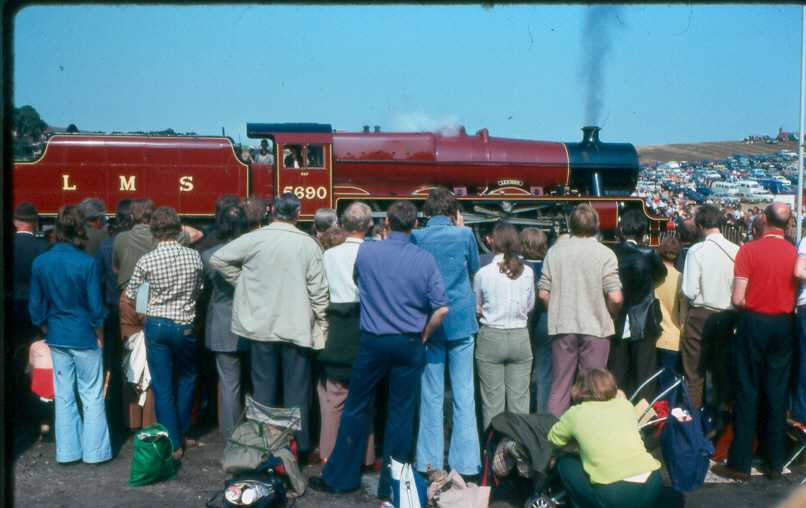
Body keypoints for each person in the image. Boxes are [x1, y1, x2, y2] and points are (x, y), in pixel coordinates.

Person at [311, 201, 449, 498]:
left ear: (386, 222)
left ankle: (340, 477)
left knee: (356, 407)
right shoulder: (424, 259)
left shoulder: (368, 252)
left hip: (373, 340)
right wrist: (425, 332)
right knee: (401, 414)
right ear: (414, 225)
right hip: (409, 341)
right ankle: (394, 487)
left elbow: (358, 282)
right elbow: (441, 309)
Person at [210, 193, 329, 456]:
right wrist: (322, 321)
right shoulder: (308, 244)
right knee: (297, 392)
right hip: (296, 327)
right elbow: (318, 291)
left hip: (260, 326)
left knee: (263, 390)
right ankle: (298, 447)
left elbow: (218, 259)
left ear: (273, 211)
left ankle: (263, 445)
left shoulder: (255, 238)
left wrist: (241, 281)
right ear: (297, 213)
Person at [713, 203, 798, 482]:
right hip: (784, 324)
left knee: (747, 391)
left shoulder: (748, 250)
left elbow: (738, 298)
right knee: (776, 393)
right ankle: (775, 461)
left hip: (754, 321)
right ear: (787, 225)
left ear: (764, 219)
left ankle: (741, 463)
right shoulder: (794, 253)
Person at [29, 205, 112, 464]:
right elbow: (96, 307)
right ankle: (95, 453)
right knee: (91, 395)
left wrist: (44, 325)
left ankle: (67, 452)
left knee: (64, 395)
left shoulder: (41, 262)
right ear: (79, 229)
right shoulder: (87, 262)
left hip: (57, 334)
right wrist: (99, 330)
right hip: (84, 335)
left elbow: (35, 305)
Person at [411, 187, 481, 477]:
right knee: (464, 392)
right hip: (461, 319)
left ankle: (429, 460)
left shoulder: (417, 237)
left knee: (431, 393)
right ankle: (465, 463)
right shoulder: (464, 235)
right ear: (453, 212)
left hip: (430, 321)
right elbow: (474, 268)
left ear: (427, 211)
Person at [124, 207, 204, 459]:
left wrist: (148, 302)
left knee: (162, 383)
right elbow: (199, 289)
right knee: (188, 377)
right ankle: (180, 431)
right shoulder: (194, 257)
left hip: (157, 325)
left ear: (154, 232)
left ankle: (173, 440)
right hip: (185, 324)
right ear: (178, 228)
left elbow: (131, 295)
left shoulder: (146, 260)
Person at [538, 204, 623, 417]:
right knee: (593, 389)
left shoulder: (554, 252)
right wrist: (611, 313)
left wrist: (557, 310)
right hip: (596, 326)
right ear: (596, 225)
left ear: (570, 225)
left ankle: (553, 439)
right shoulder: (605, 254)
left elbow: (543, 293)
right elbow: (615, 296)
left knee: (560, 386)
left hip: (563, 326)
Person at [548, 369, 662, 508]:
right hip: (653, 484)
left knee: (564, 462)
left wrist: (575, 445)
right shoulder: (625, 405)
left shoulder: (576, 413)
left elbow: (553, 438)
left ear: (579, 389)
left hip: (617, 494)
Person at [317, 202, 376, 467]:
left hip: (338, 323)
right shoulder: (376, 252)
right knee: (365, 396)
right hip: (366, 322)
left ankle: (328, 453)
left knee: (335, 395)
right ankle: (366, 455)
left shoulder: (329, 255)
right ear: (370, 224)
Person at [473, 222, 534, 429]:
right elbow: (530, 305)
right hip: (519, 335)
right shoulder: (527, 272)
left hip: (491, 336)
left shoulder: (483, 273)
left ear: (493, 242)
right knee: (520, 402)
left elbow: (477, 307)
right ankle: (521, 452)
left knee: (492, 403)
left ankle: (494, 453)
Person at [680, 204, 739, 410]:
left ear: (700, 225)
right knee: (721, 373)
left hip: (700, 314)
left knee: (694, 373)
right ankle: (720, 423)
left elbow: (689, 290)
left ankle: (693, 421)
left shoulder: (697, 250)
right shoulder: (736, 250)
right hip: (728, 314)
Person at [609, 209, 667, 402]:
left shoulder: (612, 253)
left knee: (617, 374)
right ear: (642, 232)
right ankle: (644, 422)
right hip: (643, 319)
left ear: (621, 230)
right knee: (645, 377)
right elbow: (661, 275)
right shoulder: (649, 254)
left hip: (617, 318)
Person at [201, 204, 248, 438]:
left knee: (229, 381)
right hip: (253, 320)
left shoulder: (209, 256)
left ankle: (231, 433)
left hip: (222, 321)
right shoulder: (253, 254)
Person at [94, 199, 133, 441]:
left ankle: (114, 414)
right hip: (131, 310)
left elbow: (97, 281)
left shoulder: (105, 247)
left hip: (110, 310)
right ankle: (132, 414)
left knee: (112, 363)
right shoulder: (137, 245)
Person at [12, 203, 50, 434]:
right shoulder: (42, 247)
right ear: (34, 222)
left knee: (14, 360)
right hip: (36, 311)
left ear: (15, 222)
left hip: (11, 309)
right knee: (39, 362)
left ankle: (17, 410)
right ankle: (39, 413)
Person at [520, 227, 551, 413]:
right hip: (544, 321)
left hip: (523, 322)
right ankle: (542, 414)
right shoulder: (548, 266)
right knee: (545, 373)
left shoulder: (519, 267)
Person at [654, 236, 687, 394]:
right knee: (669, 391)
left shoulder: (652, 276)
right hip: (674, 340)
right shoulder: (681, 278)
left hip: (653, 338)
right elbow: (683, 316)